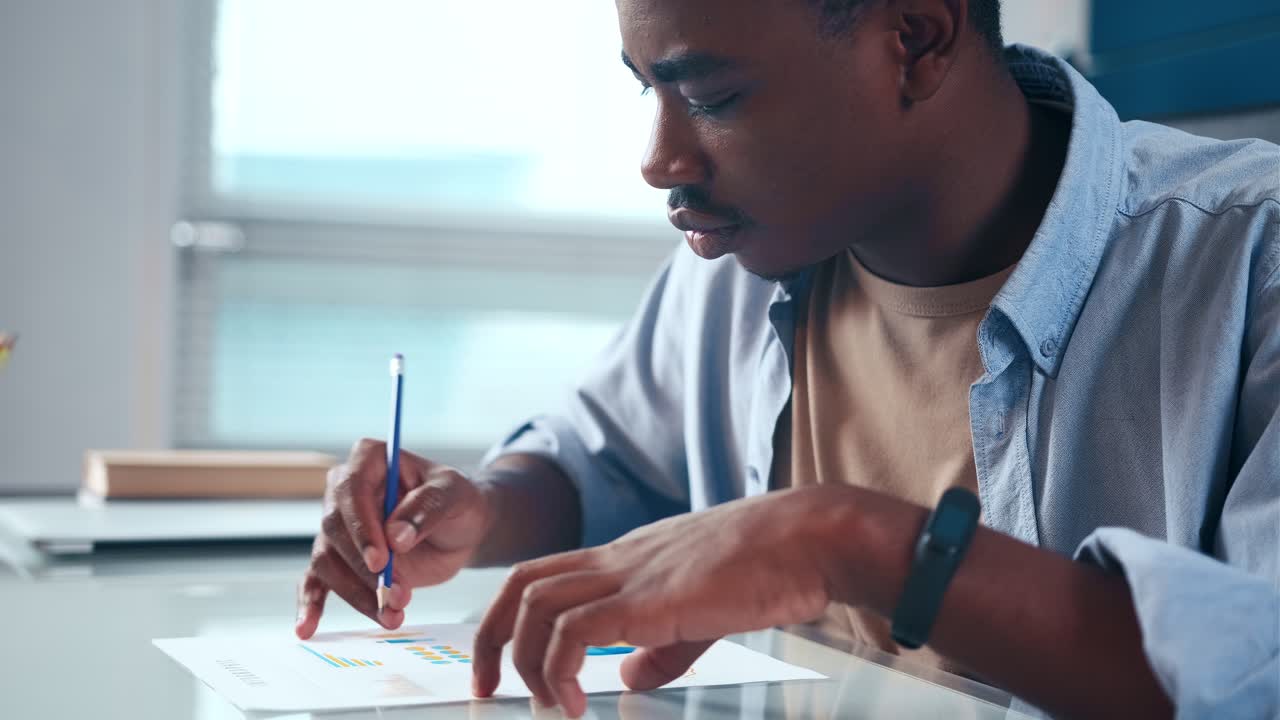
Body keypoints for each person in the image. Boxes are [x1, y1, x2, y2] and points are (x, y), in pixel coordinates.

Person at [295, 1, 1280, 717]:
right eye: (650, 92)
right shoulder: (737, 258)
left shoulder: (1251, 256)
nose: (657, 160)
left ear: (914, 39)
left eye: (712, 95)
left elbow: (1253, 673)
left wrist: (844, 541)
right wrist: (481, 508)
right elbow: (602, 461)